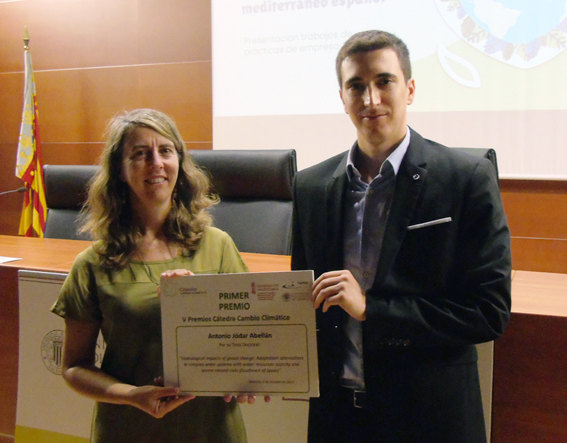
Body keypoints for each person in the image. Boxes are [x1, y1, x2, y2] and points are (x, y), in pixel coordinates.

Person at [291, 30, 512, 442]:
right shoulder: (310, 187)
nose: (370, 98)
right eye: (356, 86)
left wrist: (372, 310)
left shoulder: (465, 179)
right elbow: (303, 305)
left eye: (384, 81)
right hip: (338, 420)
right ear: (342, 98)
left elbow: (488, 311)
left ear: (409, 89)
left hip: (428, 419)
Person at [51, 108, 260, 442]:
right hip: (128, 427)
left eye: (166, 150)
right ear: (119, 170)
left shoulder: (218, 246)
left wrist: (248, 375)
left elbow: (251, 333)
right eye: (140, 154)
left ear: (180, 161)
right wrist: (131, 395)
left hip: (210, 427)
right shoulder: (91, 264)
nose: (156, 163)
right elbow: (75, 367)